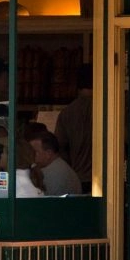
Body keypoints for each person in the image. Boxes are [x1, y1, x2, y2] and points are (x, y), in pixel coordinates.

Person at [54, 63, 93, 191]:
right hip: (106, 178)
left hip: (78, 177)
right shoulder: (110, 110)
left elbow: (59, 147)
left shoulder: (67, 113)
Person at [28, 130, 81, 196]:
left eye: (34, 152)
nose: (30, 156)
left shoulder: (49, 173)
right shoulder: (61, 166)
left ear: (48, 154)